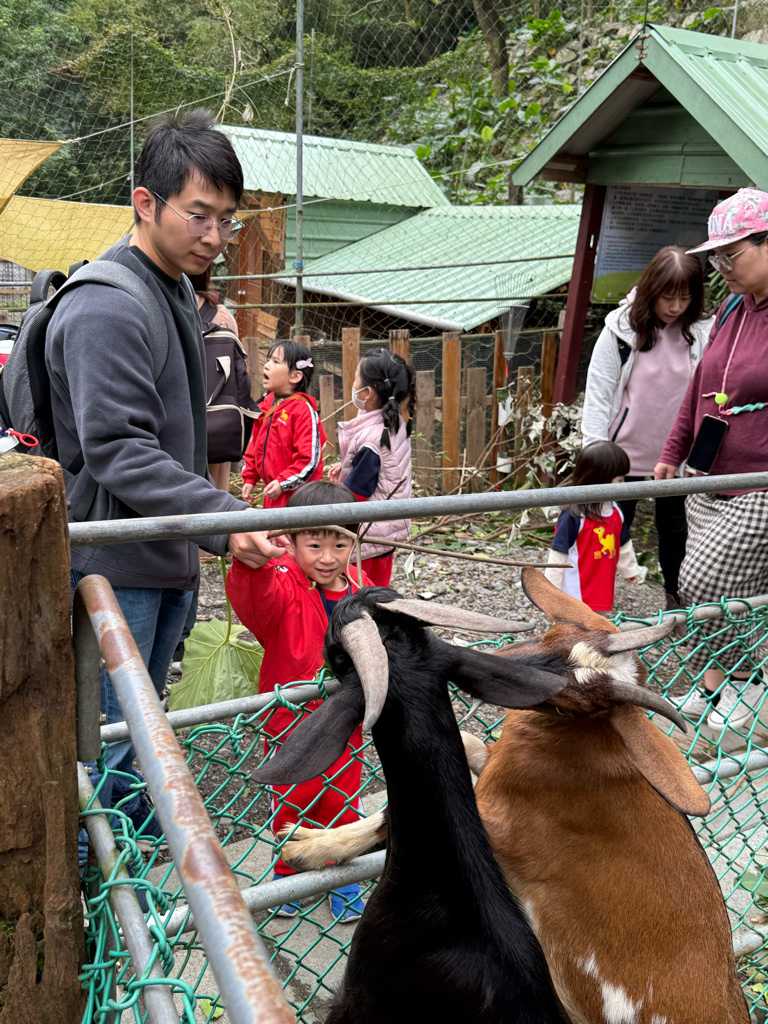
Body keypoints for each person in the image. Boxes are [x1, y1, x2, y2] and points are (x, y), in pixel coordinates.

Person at [46, 108, 276, 842]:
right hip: (116, 564)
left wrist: (212, 521)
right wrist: (224, 519)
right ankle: (113, 889)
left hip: (163, 549)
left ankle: (138, 867)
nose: (215, 236)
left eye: (226, 220)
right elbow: (117, 449)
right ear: (145, 202)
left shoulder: (173, 285)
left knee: (144, 729)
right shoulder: (107, 305)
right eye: (198, 215)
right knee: (114, 740)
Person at [226, 481, 371, 922]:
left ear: (354, 543)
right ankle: (290, 873)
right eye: (314, 545)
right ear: (290, 541)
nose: (327, 558)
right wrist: (252, 566)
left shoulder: (360, 588)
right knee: (293, 802)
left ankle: (344, 876)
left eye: (340, 544)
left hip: (346, 723)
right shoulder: (282, 583)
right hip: (291, 725)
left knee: (343, 801)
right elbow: (256, 604)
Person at [656, 188, 768, 734]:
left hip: (759, 482)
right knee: (702, 588)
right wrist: (673, 451)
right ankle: (714, 684)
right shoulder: (731, 308)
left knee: (707, 582)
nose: (722, 267)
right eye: (716, 257)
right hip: (707, 475)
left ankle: (748, 685)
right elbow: (701, 385)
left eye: (733, 254)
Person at [582, 247, 713, 612]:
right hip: (623, 456)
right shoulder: (621, 329)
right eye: (668, 297)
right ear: (652, 290)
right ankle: (593, 609)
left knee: (676, 531)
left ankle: (677, 604)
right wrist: (598, 456)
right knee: (608, 532)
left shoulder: (702, 330)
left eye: (685, 298)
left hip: (676, 456)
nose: (676, 307)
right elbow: (599, 392)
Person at [329, 348, 415, 586]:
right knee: (378, 592)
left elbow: (356, 493)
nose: (352, 384)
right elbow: (386, 467)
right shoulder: (394, 422)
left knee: (360, 593)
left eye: (355, 379)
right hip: (387, 532)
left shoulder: (372, 439)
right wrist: (347, 466)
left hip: (368, 537)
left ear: (367, 392)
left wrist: (329, 502)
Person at [545, 441, 640, 614]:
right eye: (619, 480)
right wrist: (550, 593)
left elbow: (623, 542)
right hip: (575, 592)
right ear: (600, 479)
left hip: (602, 588)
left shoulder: (615, 510)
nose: (623, 485)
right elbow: (558, 553)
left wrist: (630, 570)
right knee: (573, 626)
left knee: (598, 623)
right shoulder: (574, 515)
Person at [188, 264, 253, 491]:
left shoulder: (157, 307)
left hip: (174, 426)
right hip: (217, 423)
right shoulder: (222, 316)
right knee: (214, 492)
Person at [240, 340, 325, 508]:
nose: (267, 366)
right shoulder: (266, 405)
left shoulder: (302, 410)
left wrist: (283, 483)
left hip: (298, 499)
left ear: (295, 376)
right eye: (268, 360)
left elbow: (309, 460)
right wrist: (250, 477)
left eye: (275, 362)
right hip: (272, 493)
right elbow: (255, 445)